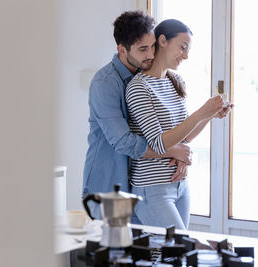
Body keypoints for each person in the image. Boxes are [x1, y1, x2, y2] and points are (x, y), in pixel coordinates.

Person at [82, 11, 192, 222]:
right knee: (114, 252)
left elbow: (171, 126)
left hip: (138, 183)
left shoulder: (149, 78)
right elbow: (124, 142)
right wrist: (173, 151)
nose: (151, 54)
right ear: (122, 50)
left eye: (152, 46)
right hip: (109, 185)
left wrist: (180, 153)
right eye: (143, 49)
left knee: (149, 253)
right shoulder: (105, 83)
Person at [125, 19, 233, 229]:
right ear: (163, 41)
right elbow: (159, 143)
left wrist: (210, 115)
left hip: (180, 185)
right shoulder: (138, 88)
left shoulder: (175, 81)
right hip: (152, 188)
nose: (185, 55)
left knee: (172, 256)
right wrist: (202, 111)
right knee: (180, 252)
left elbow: (185, 136)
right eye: (182, 47)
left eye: (188, 50)